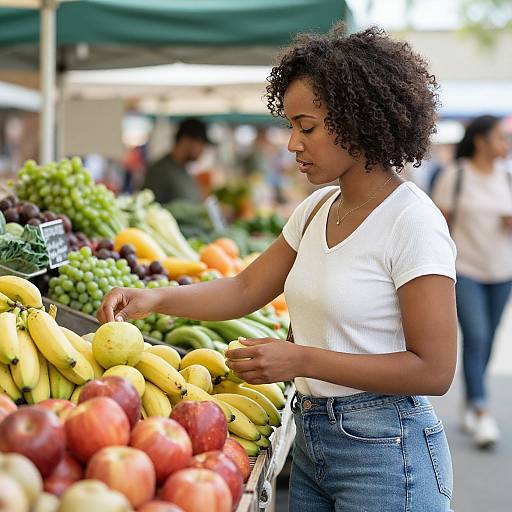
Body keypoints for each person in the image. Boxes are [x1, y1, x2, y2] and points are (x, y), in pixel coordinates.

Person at [98, 25, 457, 512]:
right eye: (290, 126)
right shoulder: (315, 209)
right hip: (312, 443)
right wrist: (155, 298)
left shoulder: (413, 222)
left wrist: (301, 359)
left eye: (306, 127)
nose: (292, 143)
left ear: (357, 121)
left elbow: (434, 369)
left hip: (388, 456)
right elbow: (246, 287)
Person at [432, 115, 511, 449]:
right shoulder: (456, 175)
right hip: (465, 270)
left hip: (503, 272)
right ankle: (480, 409)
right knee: (476, 336)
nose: (506, 144)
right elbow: (436, 225)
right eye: (500, 137)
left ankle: (471, 399)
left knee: (488, 340)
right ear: (480, 140)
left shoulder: (507, 177)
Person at [143, 118, 212, 204]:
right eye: (201, 144)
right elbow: (149, 207)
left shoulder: (184, 170)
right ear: (186, 141)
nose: (202, 150)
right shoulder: (160, 172)